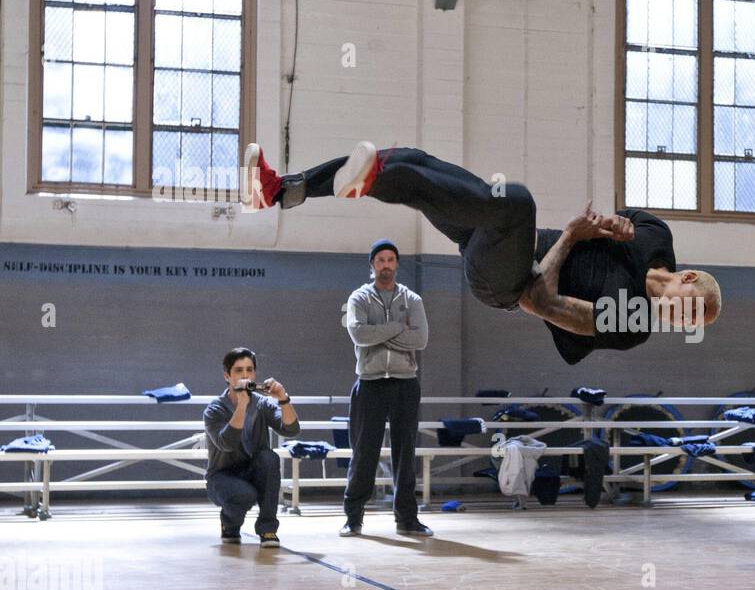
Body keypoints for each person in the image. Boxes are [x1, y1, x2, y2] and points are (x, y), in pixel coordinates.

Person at [241, 142, 721, 364]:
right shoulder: (656, 235)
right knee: (411, 161)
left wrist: (572, 237)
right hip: (489, 235)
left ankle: (376, 182)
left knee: (517, 204)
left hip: (508, 281)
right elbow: (619, 220)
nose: (676, 321)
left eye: (685, 325)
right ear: (689, 278)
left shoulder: (631, 323)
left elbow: (544, 302)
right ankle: (281, 190)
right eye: (687, 310)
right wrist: (610, 224)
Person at [340, 239, 431, 538]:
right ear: (372, 265)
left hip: (405, 384)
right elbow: (358, 334)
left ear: (397, 264)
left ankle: (407, 519)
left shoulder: (412, 300)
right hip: (370, 383)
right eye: (380, 260)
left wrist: (380, 335)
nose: (386, 265)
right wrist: (398, 328)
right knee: (364, 452)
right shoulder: (359, 298)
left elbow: (421, 341)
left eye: (391, 259)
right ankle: (353, 519)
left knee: (405, 453)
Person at [203, 347, 299, 548]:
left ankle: (268, 530)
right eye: (238, 370)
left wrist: (283, 398)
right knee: (244, 495)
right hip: (222, 477)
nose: (245, 375)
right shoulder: (214, 409)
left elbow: (291, 430)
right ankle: (229, 525)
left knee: (269, 458)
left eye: (249, 370)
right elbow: (226, 443)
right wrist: (241, 405)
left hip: (253, 471)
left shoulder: (262, 403)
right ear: (227, 376)